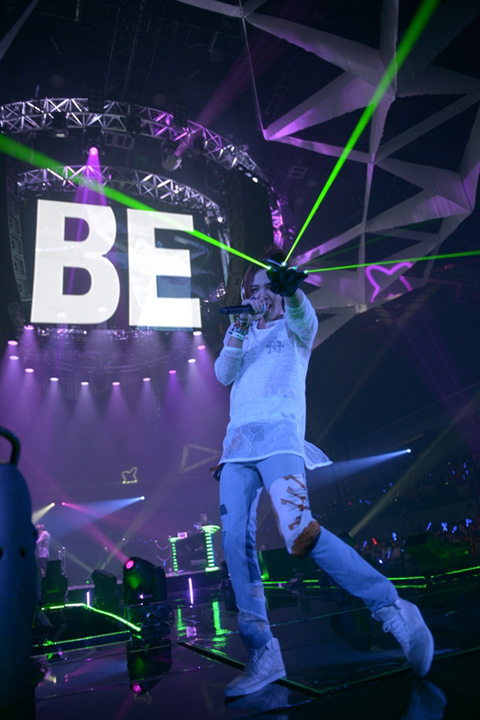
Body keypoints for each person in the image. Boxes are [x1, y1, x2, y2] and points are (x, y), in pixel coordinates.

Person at [214, 249, 434, 697]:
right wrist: (237, 329)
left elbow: (305, 319)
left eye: (268, 288)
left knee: (299, 533)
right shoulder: (244, 333)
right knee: (234, 541)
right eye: (255, 289)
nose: (260, 295)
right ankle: (263, 651)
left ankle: (392, 608)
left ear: (280, 292)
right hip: (237, 449)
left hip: (279, 439)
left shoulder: (295, 327)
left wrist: (293, 294)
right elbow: (222, 374)